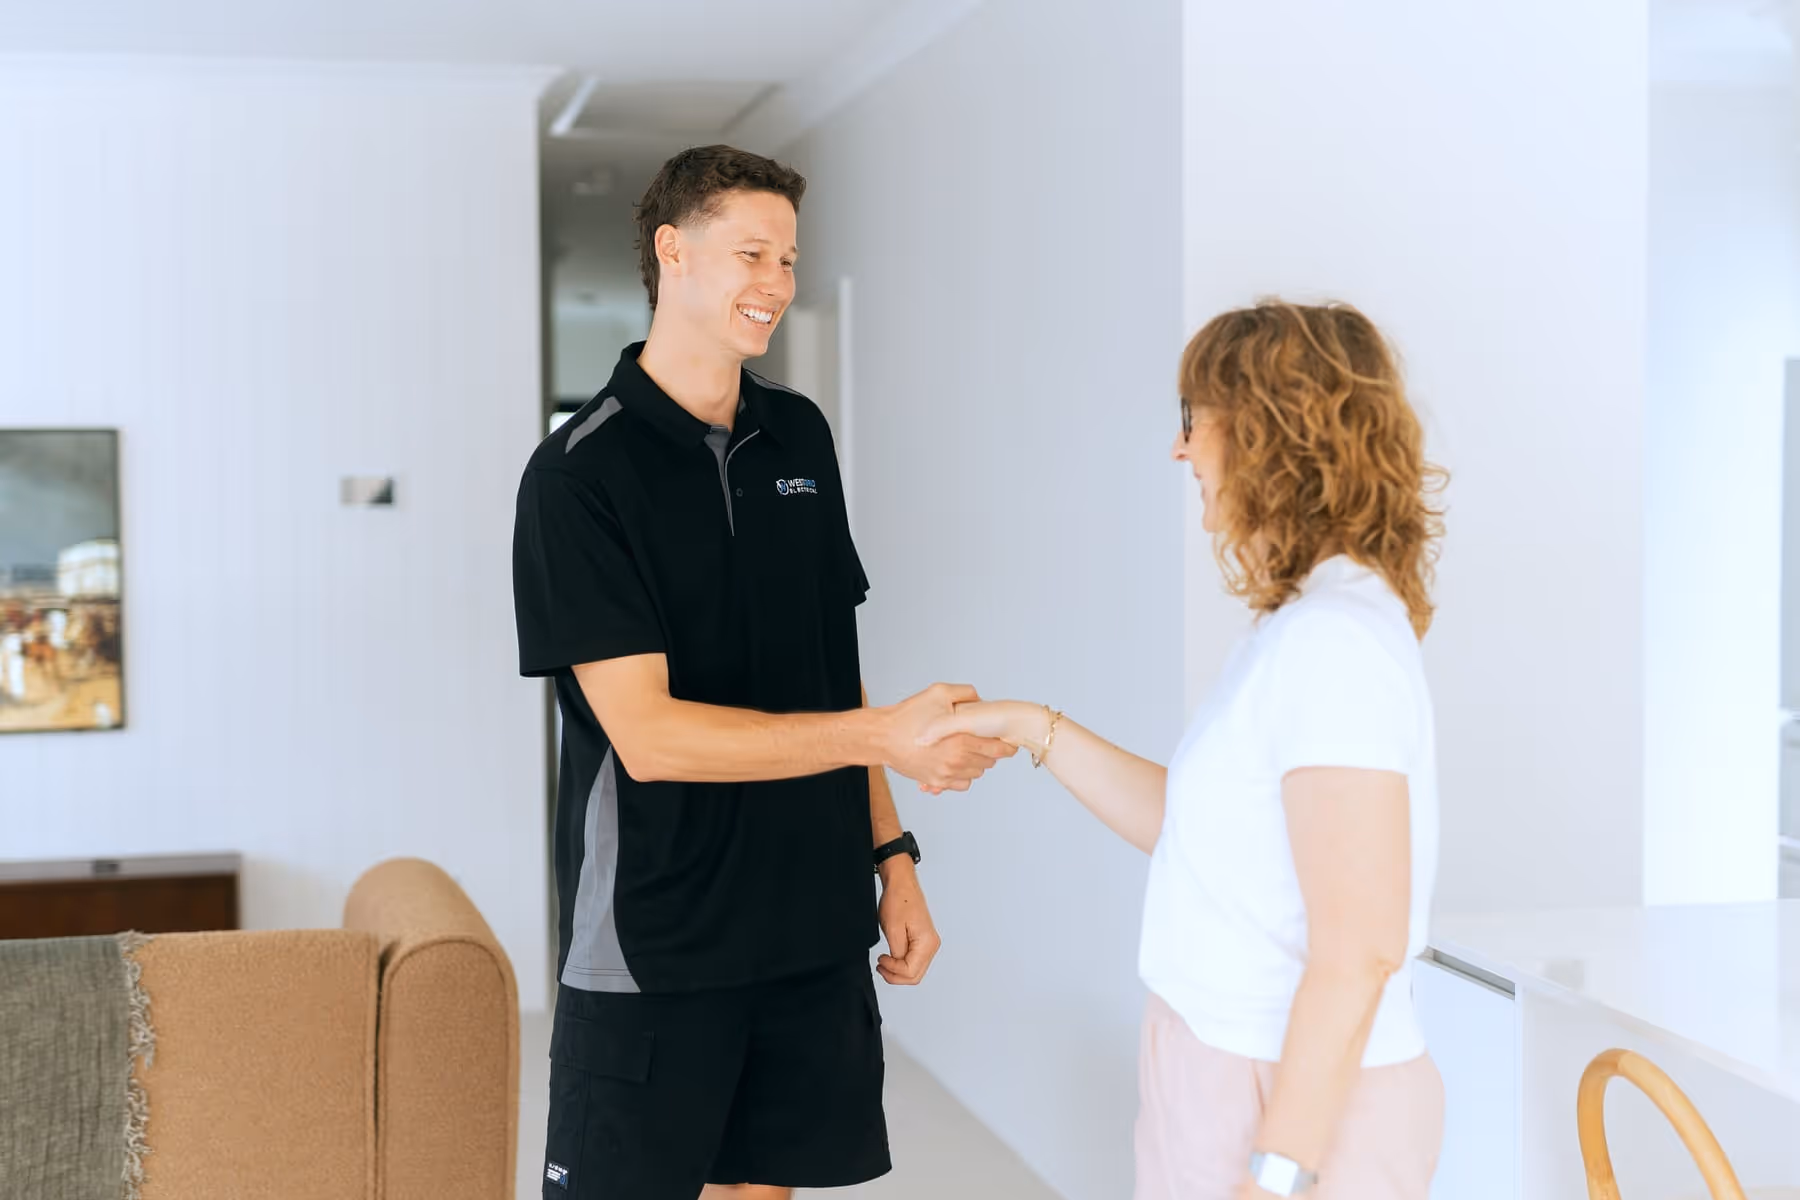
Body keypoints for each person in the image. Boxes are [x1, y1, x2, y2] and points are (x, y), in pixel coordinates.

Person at [511, 145, 1013, 1200]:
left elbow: (835, 669)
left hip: (810, 928)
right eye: (752, 254)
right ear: (672, 252)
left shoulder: (801, 435)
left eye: (787, 259)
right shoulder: (578, 474)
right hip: (655, 940)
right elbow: (650, 737)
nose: (777, 284)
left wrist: (893, 856)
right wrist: (884, 739)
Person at [926, 301, 1447, 1199]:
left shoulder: (1333, 643)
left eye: (1192, 420)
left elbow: (1361, 947)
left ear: (1268, 430)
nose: (1179, 450)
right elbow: (1205, 831)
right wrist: (1032, 727)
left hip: (1286, 1103)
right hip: (1222, 1074)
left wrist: (1275, 1173)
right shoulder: (1301, 628)